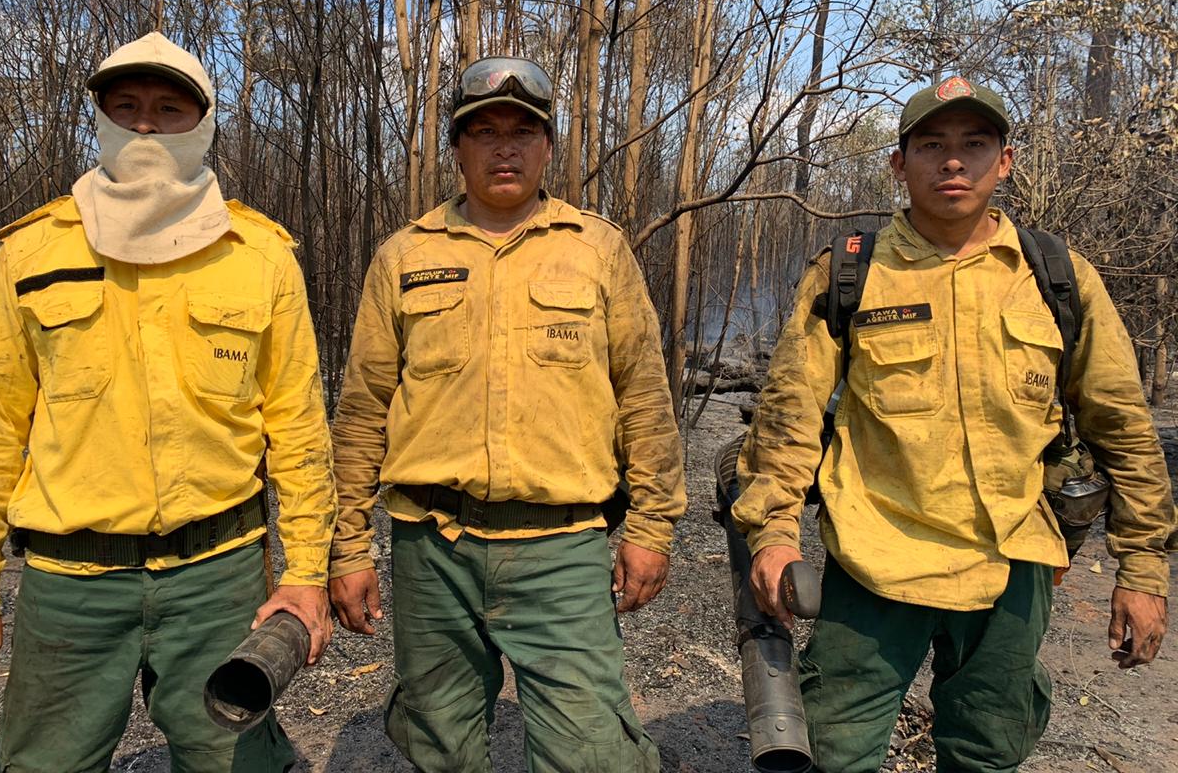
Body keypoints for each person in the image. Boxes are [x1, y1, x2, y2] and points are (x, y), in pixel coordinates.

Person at [733, 76, 1175, 773]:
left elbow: (1123, 427)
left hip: (1011, 564)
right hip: (874, 561)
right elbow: (788, 417)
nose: (952, 162)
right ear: (897, 163)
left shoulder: (1057, 277)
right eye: (931, 145)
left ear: (1004, 161)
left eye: (974, 144)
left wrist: (1144, 567)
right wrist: (774, 532)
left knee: (987, 754)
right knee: (832, 755)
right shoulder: (849, 274)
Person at [0, 32, 336, 772]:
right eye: (127, 106)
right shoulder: (32, 254)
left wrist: (306, 574)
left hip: (219, 578)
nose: (146, 125)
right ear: (102, 118)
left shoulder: (260, 256)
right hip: (70, 587)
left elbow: (300, 431)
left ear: (204, 122)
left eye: (169, 108)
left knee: (232, 761)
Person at [328, 56, 685, 772]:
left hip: (562, 551)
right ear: (457, 149)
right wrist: (346, 546)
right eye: (483, 131)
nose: (504, 147)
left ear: (549, 145)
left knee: (593, 754)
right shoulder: (404, 255)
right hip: (433, 550)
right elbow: (363, 409)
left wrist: (652, 526)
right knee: (440, 743)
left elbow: (643, 395)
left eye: (523, 131)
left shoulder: (597, 250)